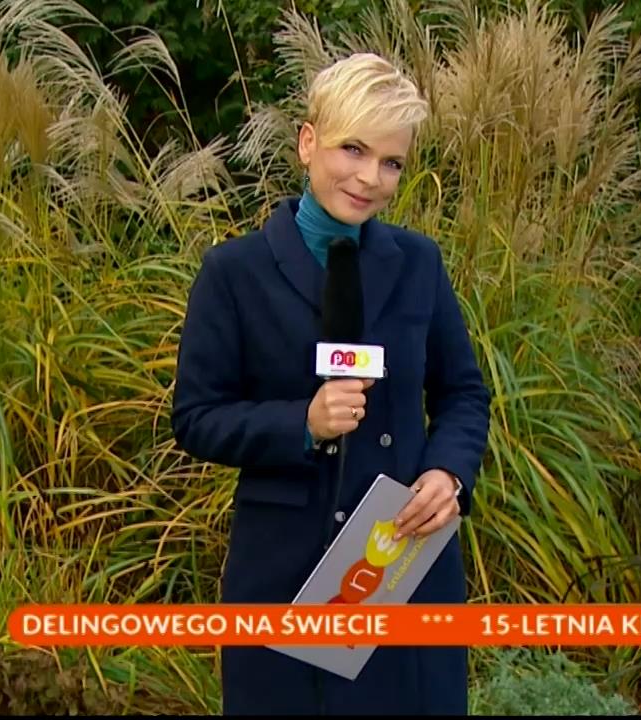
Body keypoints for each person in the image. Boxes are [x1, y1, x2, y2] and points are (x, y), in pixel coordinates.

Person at [170, 52, 491, 716]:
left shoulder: (419, 264)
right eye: (353, 149)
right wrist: (303, 423)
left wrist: (448, 474)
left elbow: (463, 393)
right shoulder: (233, 274)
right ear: (308, 142)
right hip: (285, 577)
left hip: (403, 571)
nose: (370, 178)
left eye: (392, 162)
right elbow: (196, 417)